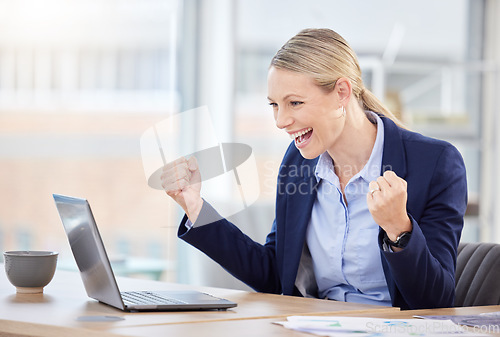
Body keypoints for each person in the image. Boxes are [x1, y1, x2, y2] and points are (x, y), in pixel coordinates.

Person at [160, 28, 467, 310]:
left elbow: (436, 301)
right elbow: (275, 272)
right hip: (314, 325)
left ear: (342, 93)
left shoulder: (436, 164)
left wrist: (399, 229)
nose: (280, 121)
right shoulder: (298, 162)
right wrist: (197, 208)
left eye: (294, 103)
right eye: (274, 105)